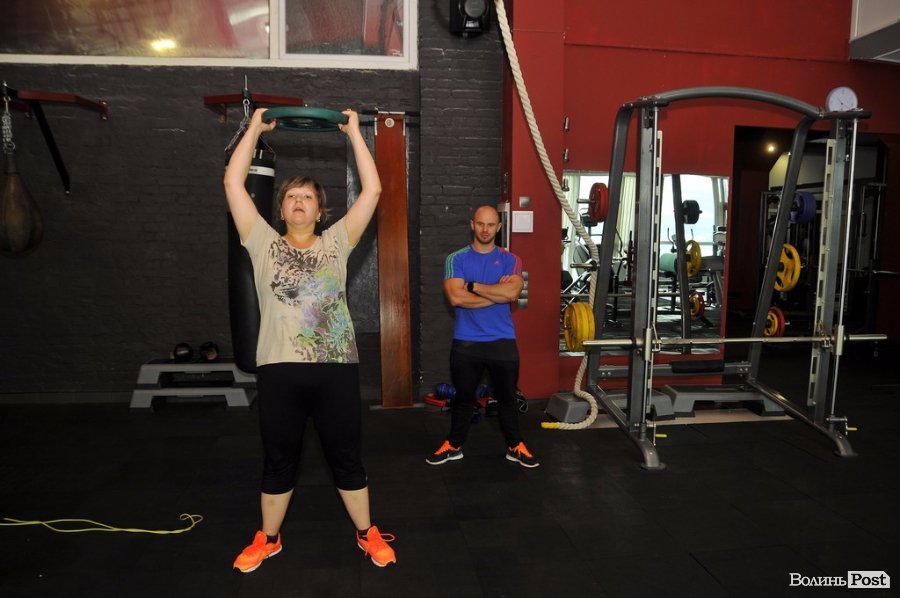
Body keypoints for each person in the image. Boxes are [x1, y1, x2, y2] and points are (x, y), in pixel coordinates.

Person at [224, 107, 396, 573]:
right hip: (279, 369)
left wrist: (354, 133)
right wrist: (254, 128)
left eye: (307, 198)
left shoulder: (337, 242)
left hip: (336, 369)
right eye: (291, 197)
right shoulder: (261, 242)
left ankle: (366, 532)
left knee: (346, 455)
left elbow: (373, 190)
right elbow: (233, 183)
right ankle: (269, 538)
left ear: (321, 212)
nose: (298, 202)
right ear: (280, 209)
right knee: (279, 457)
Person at [426, 205, 539, 468]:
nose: (485, 229)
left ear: (499, 227)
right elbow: (456, 297)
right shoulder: (456, 259)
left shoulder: (511, 259)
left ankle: (515, 445)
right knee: (463, 398)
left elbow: (513, 293)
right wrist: (497, 293)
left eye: (490, 225)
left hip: (502, 340)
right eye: (480, 224)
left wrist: (474, 286)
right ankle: (454, 445)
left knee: (507, 397)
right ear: (472, 225)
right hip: (467, 341)